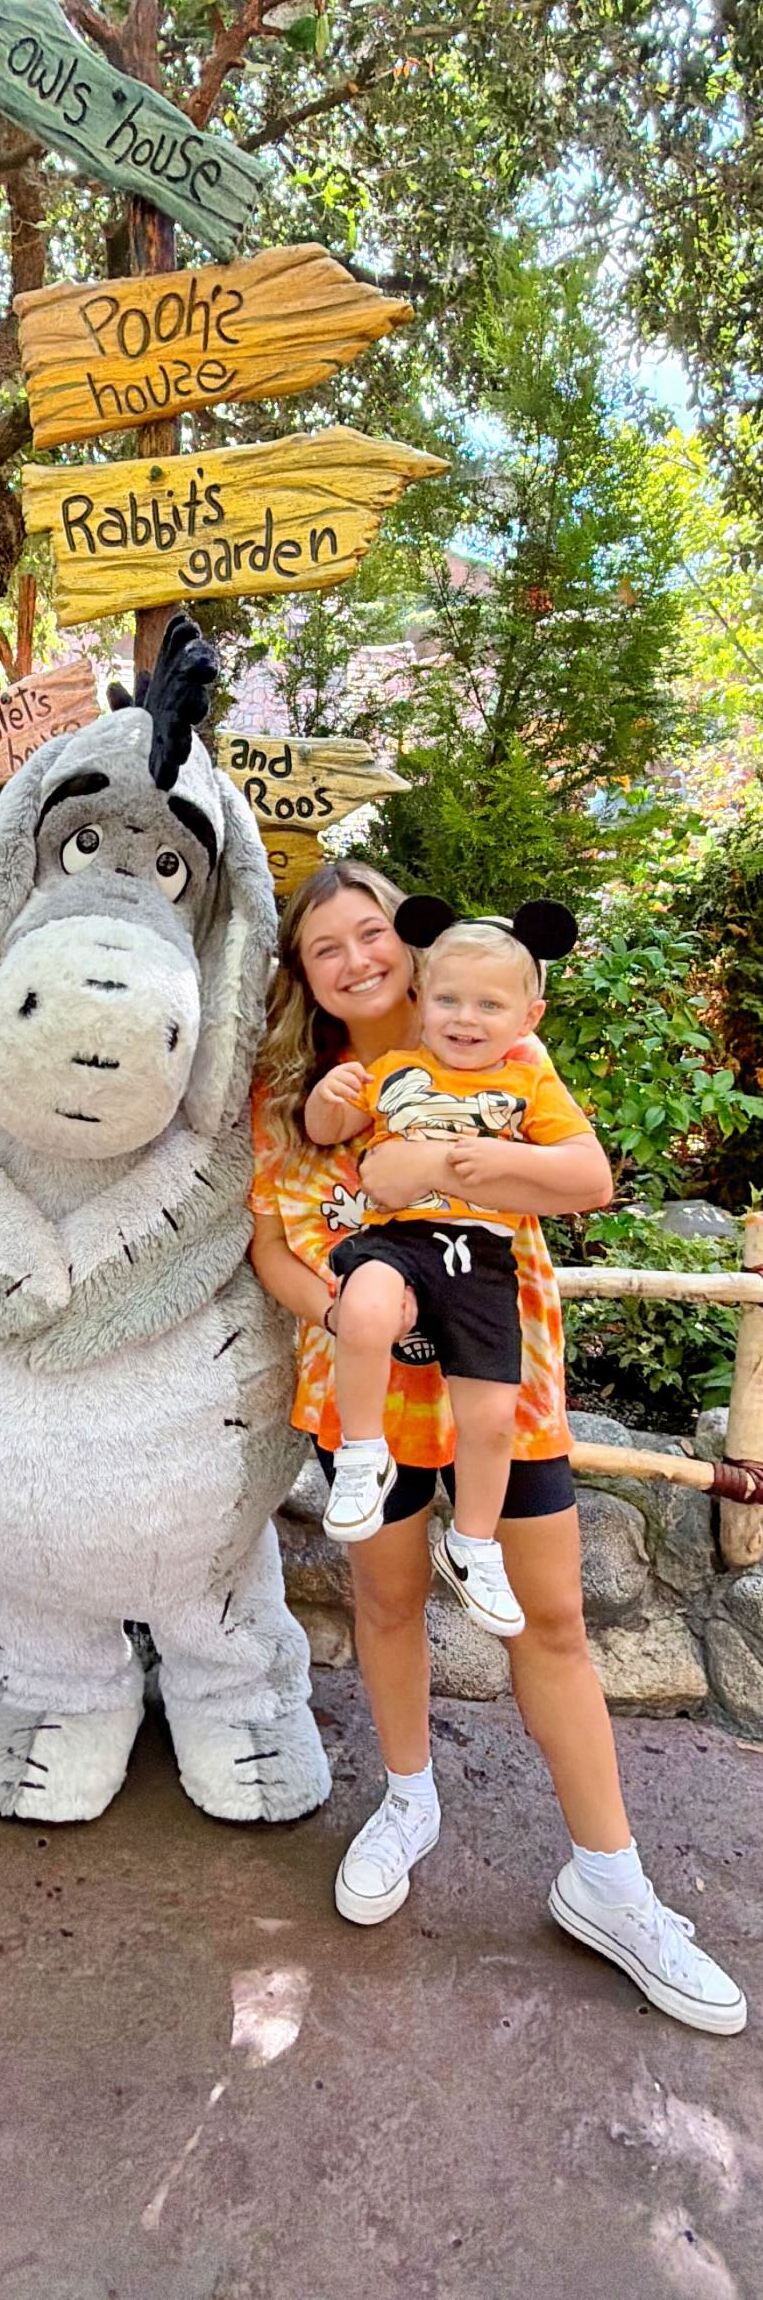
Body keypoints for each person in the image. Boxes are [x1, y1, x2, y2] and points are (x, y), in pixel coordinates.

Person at [250, 859, 746, 2034]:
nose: (360, 959)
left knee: (555, 1620)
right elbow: (275, 1247)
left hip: (501, 1375)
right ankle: (408, 1798)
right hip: (366, 1379)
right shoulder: (300, 1099)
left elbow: (577, 1176)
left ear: (411, 948)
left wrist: (431, 1167)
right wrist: (357, 1309)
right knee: (385, 1602)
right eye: (330, 948)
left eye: (374, 934)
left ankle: (610, 1879)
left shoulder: (500, 1055)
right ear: (305, 975)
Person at [304, 896, 589, 1642]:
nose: (465, 1017)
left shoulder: (528, 1084)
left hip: (481, 1257)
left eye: (488, 1004)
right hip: (399, 1241)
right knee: (363, 1308)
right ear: (420, 1000)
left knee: (493, 1417)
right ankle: (366, 1455)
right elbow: (329, 1130)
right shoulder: (396, 1068)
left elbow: (586, 1173)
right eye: (448, 999)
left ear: (528, 1018)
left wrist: (503, 1157)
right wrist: (328, 1103)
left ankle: (472, 1542)